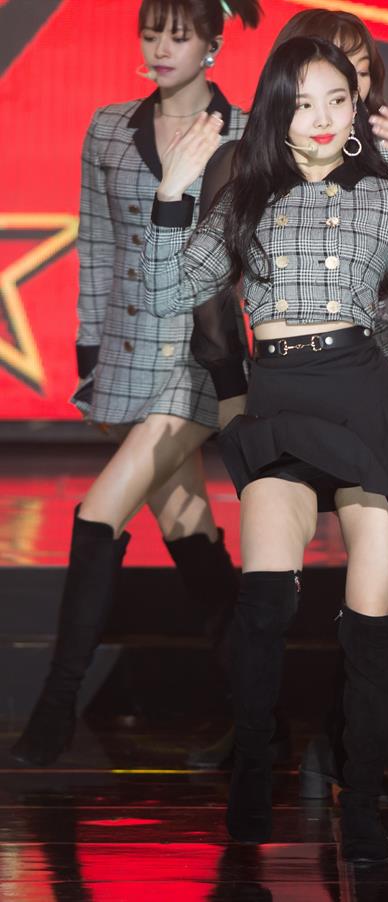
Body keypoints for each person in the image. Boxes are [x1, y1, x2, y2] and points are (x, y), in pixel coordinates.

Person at [142, 37, 388, 863]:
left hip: (363, 399)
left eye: (337, 100)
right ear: (278, 109)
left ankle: (363, 804)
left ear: (355, 109)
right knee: (263, 608)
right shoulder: (246, 196)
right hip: (278, 400)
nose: (321, 118)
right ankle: (251, 783)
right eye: (304, 102)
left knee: (372, 626)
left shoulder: (383, 197)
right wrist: (171, 191)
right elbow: (169, 292)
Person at [10, 0, 261, 768]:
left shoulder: (245, 132)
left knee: (98, 513)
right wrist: (90, 360)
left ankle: (56, 707)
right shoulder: (108, 128)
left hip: (198, 359)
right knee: (187, 525)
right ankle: (260, 713)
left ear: (213, 43)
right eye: (151, 34)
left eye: (177, 36)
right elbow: (97, 246)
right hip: (124, 356)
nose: (160, 48)